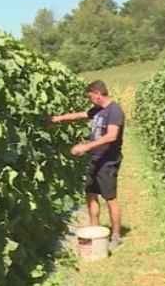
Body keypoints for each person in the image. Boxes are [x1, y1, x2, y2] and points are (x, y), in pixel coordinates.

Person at [47, 80, 125, 250]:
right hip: (95, 158)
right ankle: (94, 229)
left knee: (110, 198)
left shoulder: (114, 111)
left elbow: (112, 136)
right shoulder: (98, 110)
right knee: (90, 194)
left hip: (108, 160)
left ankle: (116, 235)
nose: (90, 100)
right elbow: (80, 115)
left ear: (98, 94)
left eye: (90, 97)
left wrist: (86, 146)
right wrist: (57, 119)